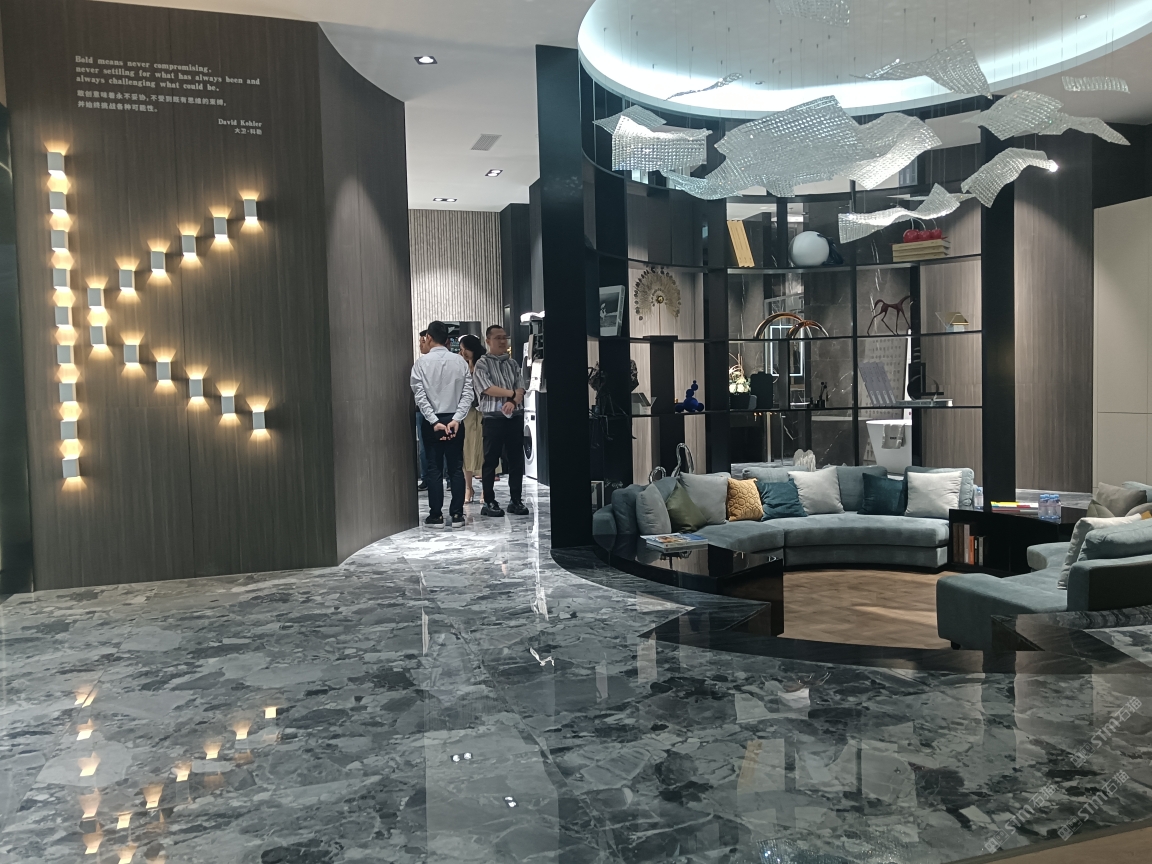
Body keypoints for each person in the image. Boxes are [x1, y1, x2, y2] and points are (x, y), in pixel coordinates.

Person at [410, 320, 473, 527]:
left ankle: (435, 515)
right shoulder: (460, 362)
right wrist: (457, 418)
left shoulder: (421, 363)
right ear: (447, 339)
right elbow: (468, 394)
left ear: (428, 337)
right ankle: (457, 515)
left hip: (432, 422)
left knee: (434, 469)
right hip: (455, 419)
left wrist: (434, 420)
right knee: (455, 468)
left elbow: (420, 396)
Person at [472, 324, 529, 517]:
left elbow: (521, 388)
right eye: (498, 338)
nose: (503, 341)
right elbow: (487, 388)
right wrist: (511, 394)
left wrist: (513, 401)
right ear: (488, 341)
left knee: (516, 460)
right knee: (490, 461)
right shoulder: (482, 364)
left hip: (514, 417)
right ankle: (489, 501)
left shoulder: (512, 364)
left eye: (505, 337)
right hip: (493, 418)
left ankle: (516, 500)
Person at [458, 334, 487, 504]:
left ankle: (486, 488)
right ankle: (468, 488)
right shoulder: (460, 366)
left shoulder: (484, 363)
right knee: (466, 448)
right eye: (461, 350)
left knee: (484, 449)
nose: (463, 353)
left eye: (465, 349)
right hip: (467, 412)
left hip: (483, 410)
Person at [415, 329, 432, 492]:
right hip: (421, 410)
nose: (420, 345)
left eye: (422, 341)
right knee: (423, 448)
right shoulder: (419, 364)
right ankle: (425, 478)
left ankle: (448, 479)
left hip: (440, 410)